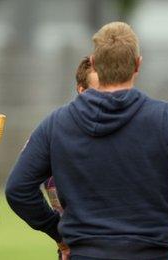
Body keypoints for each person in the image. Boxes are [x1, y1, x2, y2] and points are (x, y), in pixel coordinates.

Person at [6, 21, 168, 260]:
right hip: (152, 253)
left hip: (85, 253)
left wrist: (59, 232)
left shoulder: (57, 124)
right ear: (138, 64)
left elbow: (18, 189)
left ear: (94, 63)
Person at [44, 56, 99, 214]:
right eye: (98, 88)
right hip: (77, 234)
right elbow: (20, 187)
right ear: (81, 90)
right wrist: (55, 227)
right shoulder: (55, 130)